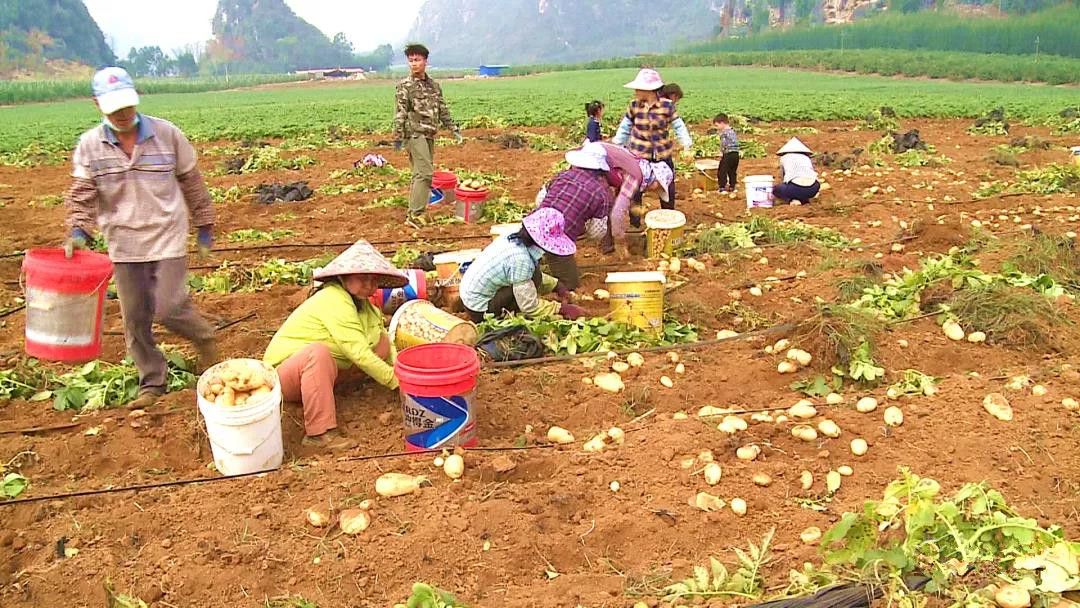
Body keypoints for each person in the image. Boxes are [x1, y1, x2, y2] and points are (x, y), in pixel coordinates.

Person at [64, 66, 217, 409]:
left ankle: (205, 338)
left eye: (126, 105)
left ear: (136, 99)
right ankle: (152, 382)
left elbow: (192, 182)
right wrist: (78, 230)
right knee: (134, 319)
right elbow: (82, 193)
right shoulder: (90, 145)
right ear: (97, 104)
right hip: (124, 243)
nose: (122, 114)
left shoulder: (167, 135)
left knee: (169, 307)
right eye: (113, 108)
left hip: (167, 236)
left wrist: (205, 226)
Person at [263, 240, 406, 449]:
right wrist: (397, 381)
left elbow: (386, 342)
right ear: (344, 277)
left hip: (327, 371)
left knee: (382, 343)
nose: (368, 285)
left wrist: (404, 373)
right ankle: (319, 434)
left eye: (373, 280)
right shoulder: (333, 299)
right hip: (283, 377)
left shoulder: (366, 306)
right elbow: (359, 353)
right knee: (317, 353)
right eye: (362, 278)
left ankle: (335, 390)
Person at [611, 69, 692, 249]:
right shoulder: (634, 106)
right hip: (638, 157)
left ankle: (668, 222)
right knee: (635, 191)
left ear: (649, 90)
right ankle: (635, 224)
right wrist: (616, 146)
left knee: (667, 189)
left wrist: (686, 144)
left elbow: (679, 126)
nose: (635, 91)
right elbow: (624, 128)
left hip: (662, 157)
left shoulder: (667, 106)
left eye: (638, 88)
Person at [460, 208, 585, 322]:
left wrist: (556, 285)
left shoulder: (514, 238)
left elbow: (531, 274)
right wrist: (561, 308)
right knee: (528, 286)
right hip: (480, 309)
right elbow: (529, 306)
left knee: (534, 275)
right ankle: (503, 316)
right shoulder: (521, 260)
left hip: (471, 296)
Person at [393, 43, 463, 229]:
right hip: (414, 134)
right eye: (411, 61)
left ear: (425, 61)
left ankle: (415, 212)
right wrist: (398, 136)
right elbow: (400, 112)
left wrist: (453, 128)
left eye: (417, 60)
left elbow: (442, 109)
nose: (414, 64)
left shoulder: (434, 86)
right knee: (425, 173)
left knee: (420, 173)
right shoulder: (404, 86)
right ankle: (416, 214)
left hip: (429, 133)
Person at [537, 142, 615, 296]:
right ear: (600, 171)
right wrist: (580, 227)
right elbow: (596, 233)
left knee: (534, 255)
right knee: (571, 284)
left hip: (533, 225)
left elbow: (539, 200)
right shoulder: (602, 193)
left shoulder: (561, 176)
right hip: (557, 239)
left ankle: (540, 261)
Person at [596, 142, 673, 253]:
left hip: (593, 157)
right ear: (655, 179)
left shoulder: (638, 165)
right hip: (590, 163)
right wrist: (619, 241)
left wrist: (631, 206)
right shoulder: (635, 176)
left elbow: (620, 193)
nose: (655, 191)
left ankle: (606, 241)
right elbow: (617, 212)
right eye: (658, 187)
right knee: (600, 220)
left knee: (611, 204)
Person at [773, 138, 821, 205]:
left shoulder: (784, 158)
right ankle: (803, 199)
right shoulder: (806, 158)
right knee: (799, 189)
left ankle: (792, 200)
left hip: (795, 188)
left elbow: (784, 177)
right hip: (813, 188)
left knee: (777, 189)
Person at [714, 114, 740, 193]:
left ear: (722, 123)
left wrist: (721, 152)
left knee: (722, 170)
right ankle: (732, 186)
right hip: (736, 153)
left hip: (728, 153)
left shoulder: (724, 133)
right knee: (732, 171)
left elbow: (724, 144)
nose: (717, 128)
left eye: (717, 125)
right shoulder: (733, 131)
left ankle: (722, 187)